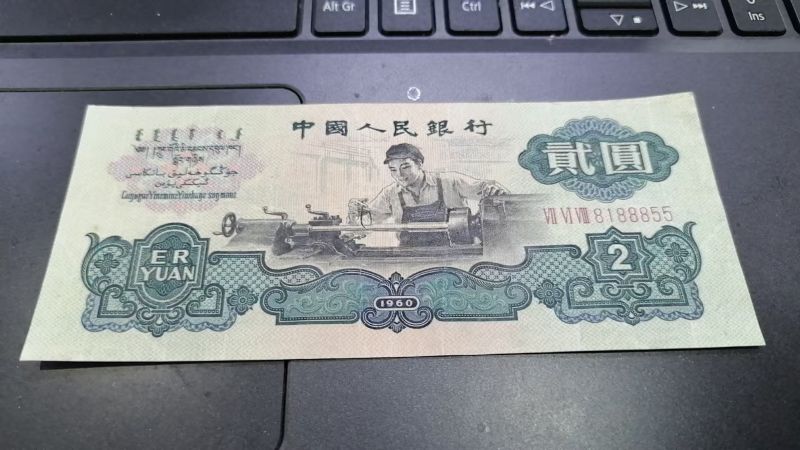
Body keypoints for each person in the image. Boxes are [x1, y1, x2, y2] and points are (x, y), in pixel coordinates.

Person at [363, 143, 508, 247]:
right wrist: (357, 215)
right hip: (409, 257)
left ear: (419, 164)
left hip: (456, 255)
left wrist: (494, 192)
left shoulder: (450, 182)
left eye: (405, 167)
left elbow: (489, 191)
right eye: (393, 170)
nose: (399, 175)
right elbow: (367, 220)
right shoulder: (390, 194)